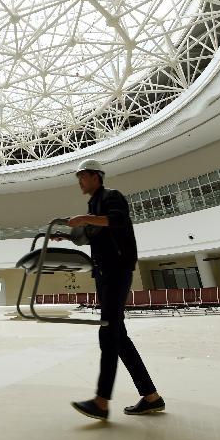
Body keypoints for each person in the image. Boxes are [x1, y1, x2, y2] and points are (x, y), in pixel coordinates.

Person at [68, 159, 164, 421]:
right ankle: (151, 397)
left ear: (96, 177)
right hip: (103, 272)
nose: (80, 181)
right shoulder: (92, 204)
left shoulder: (112, 197)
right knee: (118, 336)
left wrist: (84, 219)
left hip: (117, 269)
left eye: (83, 177)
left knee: (108, 331)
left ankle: (101, 401)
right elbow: (89, 234)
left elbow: (117, 221)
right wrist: (66, 235)